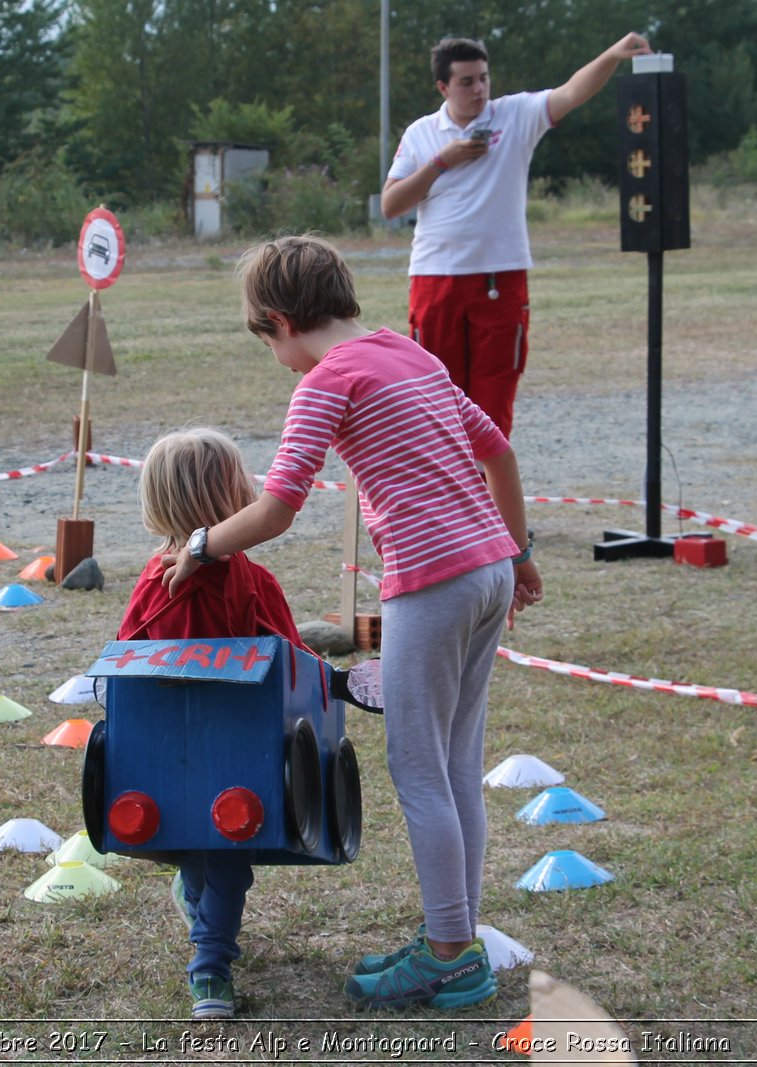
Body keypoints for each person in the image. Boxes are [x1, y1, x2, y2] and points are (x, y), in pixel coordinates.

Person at [162, 236, 543, 1012]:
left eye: (265, 339)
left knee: (418, 769)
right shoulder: (412, 354)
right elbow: (498, 450)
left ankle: (447, 956)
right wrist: (520, 550)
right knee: (457, 761)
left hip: (431, 582)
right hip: (489, 572)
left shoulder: (324, 381)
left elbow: (276, 508)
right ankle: (456, 937)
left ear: (277, 321)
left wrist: (199, 545)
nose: (277, 355)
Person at [115, 426, 313, 1021]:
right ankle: (210, 966)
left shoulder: (165, 581)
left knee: (221, 858)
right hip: (209, 753)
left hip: (214, 758)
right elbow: (295, 663)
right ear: (233, 499)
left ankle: (208, 948)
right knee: (216, 856)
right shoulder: (209, 582)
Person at [381, 32, 653, 437]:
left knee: (493, 398)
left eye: (484, 78)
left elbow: (573, 91)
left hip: (500, 278)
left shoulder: (514, 115)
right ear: (443, 87)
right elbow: (391, 205)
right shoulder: (422, 133)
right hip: (435, 278)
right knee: (437, 396)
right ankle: (445, 495)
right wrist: (443, 160)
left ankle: (489, 497)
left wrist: (613, 53)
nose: (479, 90)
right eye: (467, 82)